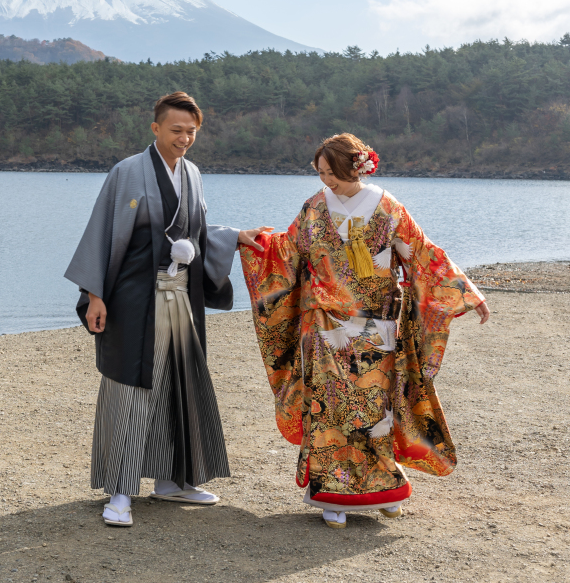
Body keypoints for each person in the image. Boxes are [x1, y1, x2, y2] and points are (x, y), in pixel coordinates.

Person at [239, 132, 490, 530]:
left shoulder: (388, 207)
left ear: (351, 168)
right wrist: (251, 242)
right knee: (331, 409)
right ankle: (334, 491)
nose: (325, 181)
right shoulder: (314, 207)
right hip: (323, 326)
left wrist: (466, 292)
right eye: (320, 173)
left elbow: (423, 254)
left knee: (377, 410)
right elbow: (287, 251)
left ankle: (384, 483)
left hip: (377, 326)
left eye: (330, 173)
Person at [65, 90, 270, 527]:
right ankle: (119, 491)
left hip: (182, 297)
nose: (184, 138)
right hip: (134, 298)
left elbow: (193, 231)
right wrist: (95, 294)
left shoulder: (192, 173)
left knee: (181, 383)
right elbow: (102, 232)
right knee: (131, 387)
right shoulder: (127, 172)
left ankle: (172, 480)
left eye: (191, 132)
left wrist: (233, 236)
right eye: (176, 130)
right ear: (155, 128)